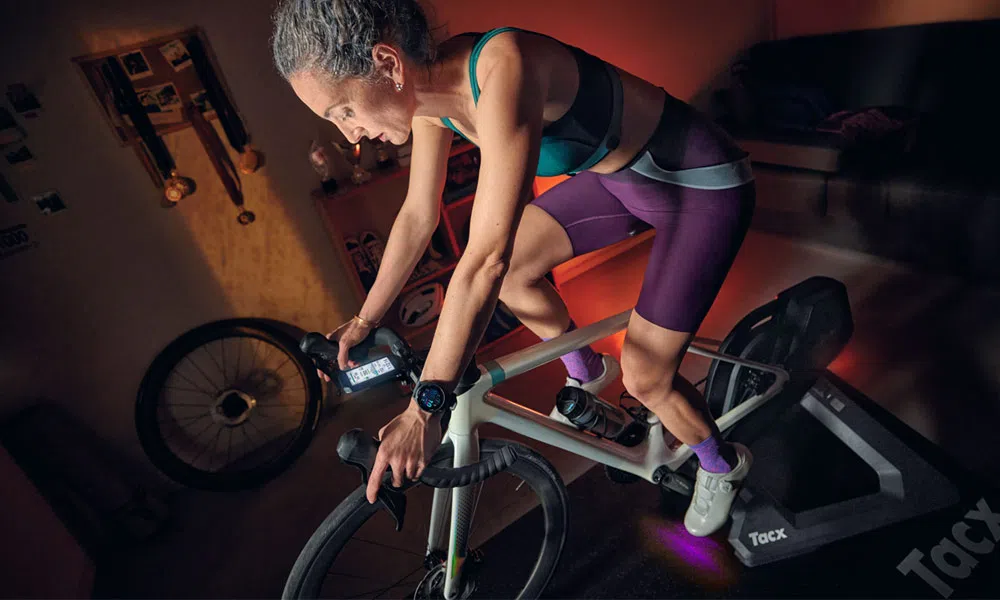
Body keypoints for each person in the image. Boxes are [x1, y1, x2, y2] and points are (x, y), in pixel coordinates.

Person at [272, 0, 756, 537]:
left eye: (343, 111)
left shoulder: (504, 66)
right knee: (520, 275)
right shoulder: (428, 100)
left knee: (645, 375)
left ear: (388, 65)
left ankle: (722, 465)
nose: (351, 136)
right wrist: (364, 320)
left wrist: (425, 406)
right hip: (621, 182)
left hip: (698, 184)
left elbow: (485, 260)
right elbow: (416, 217)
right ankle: (588, 375)